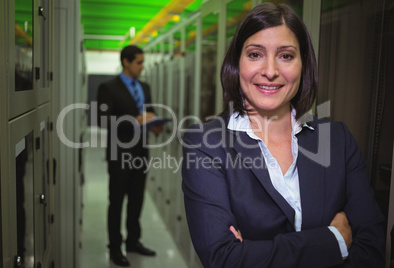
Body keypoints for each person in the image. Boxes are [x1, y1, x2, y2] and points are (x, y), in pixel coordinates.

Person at [181, 3, 385, 268]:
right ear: (237, 63)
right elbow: (224, 259)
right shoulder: (206, 143)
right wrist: (333, 240)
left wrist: (254, 253)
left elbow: (372, 249)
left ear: (303, 64)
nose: (270, 71)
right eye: (255, 54)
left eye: (286, 56)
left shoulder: (337, 140)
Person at [97, 45, 163, 267]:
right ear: (126, 62)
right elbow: (104, 120)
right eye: (139, 62)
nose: (142, 67)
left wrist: (155, 125)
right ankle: (115, 247)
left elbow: (149, 113)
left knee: (137, 199)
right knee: (116, 201)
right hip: (119, 154)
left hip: (141, 153)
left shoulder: (144, 86)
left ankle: (133, 241)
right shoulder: (108, 88)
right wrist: (136, 120)